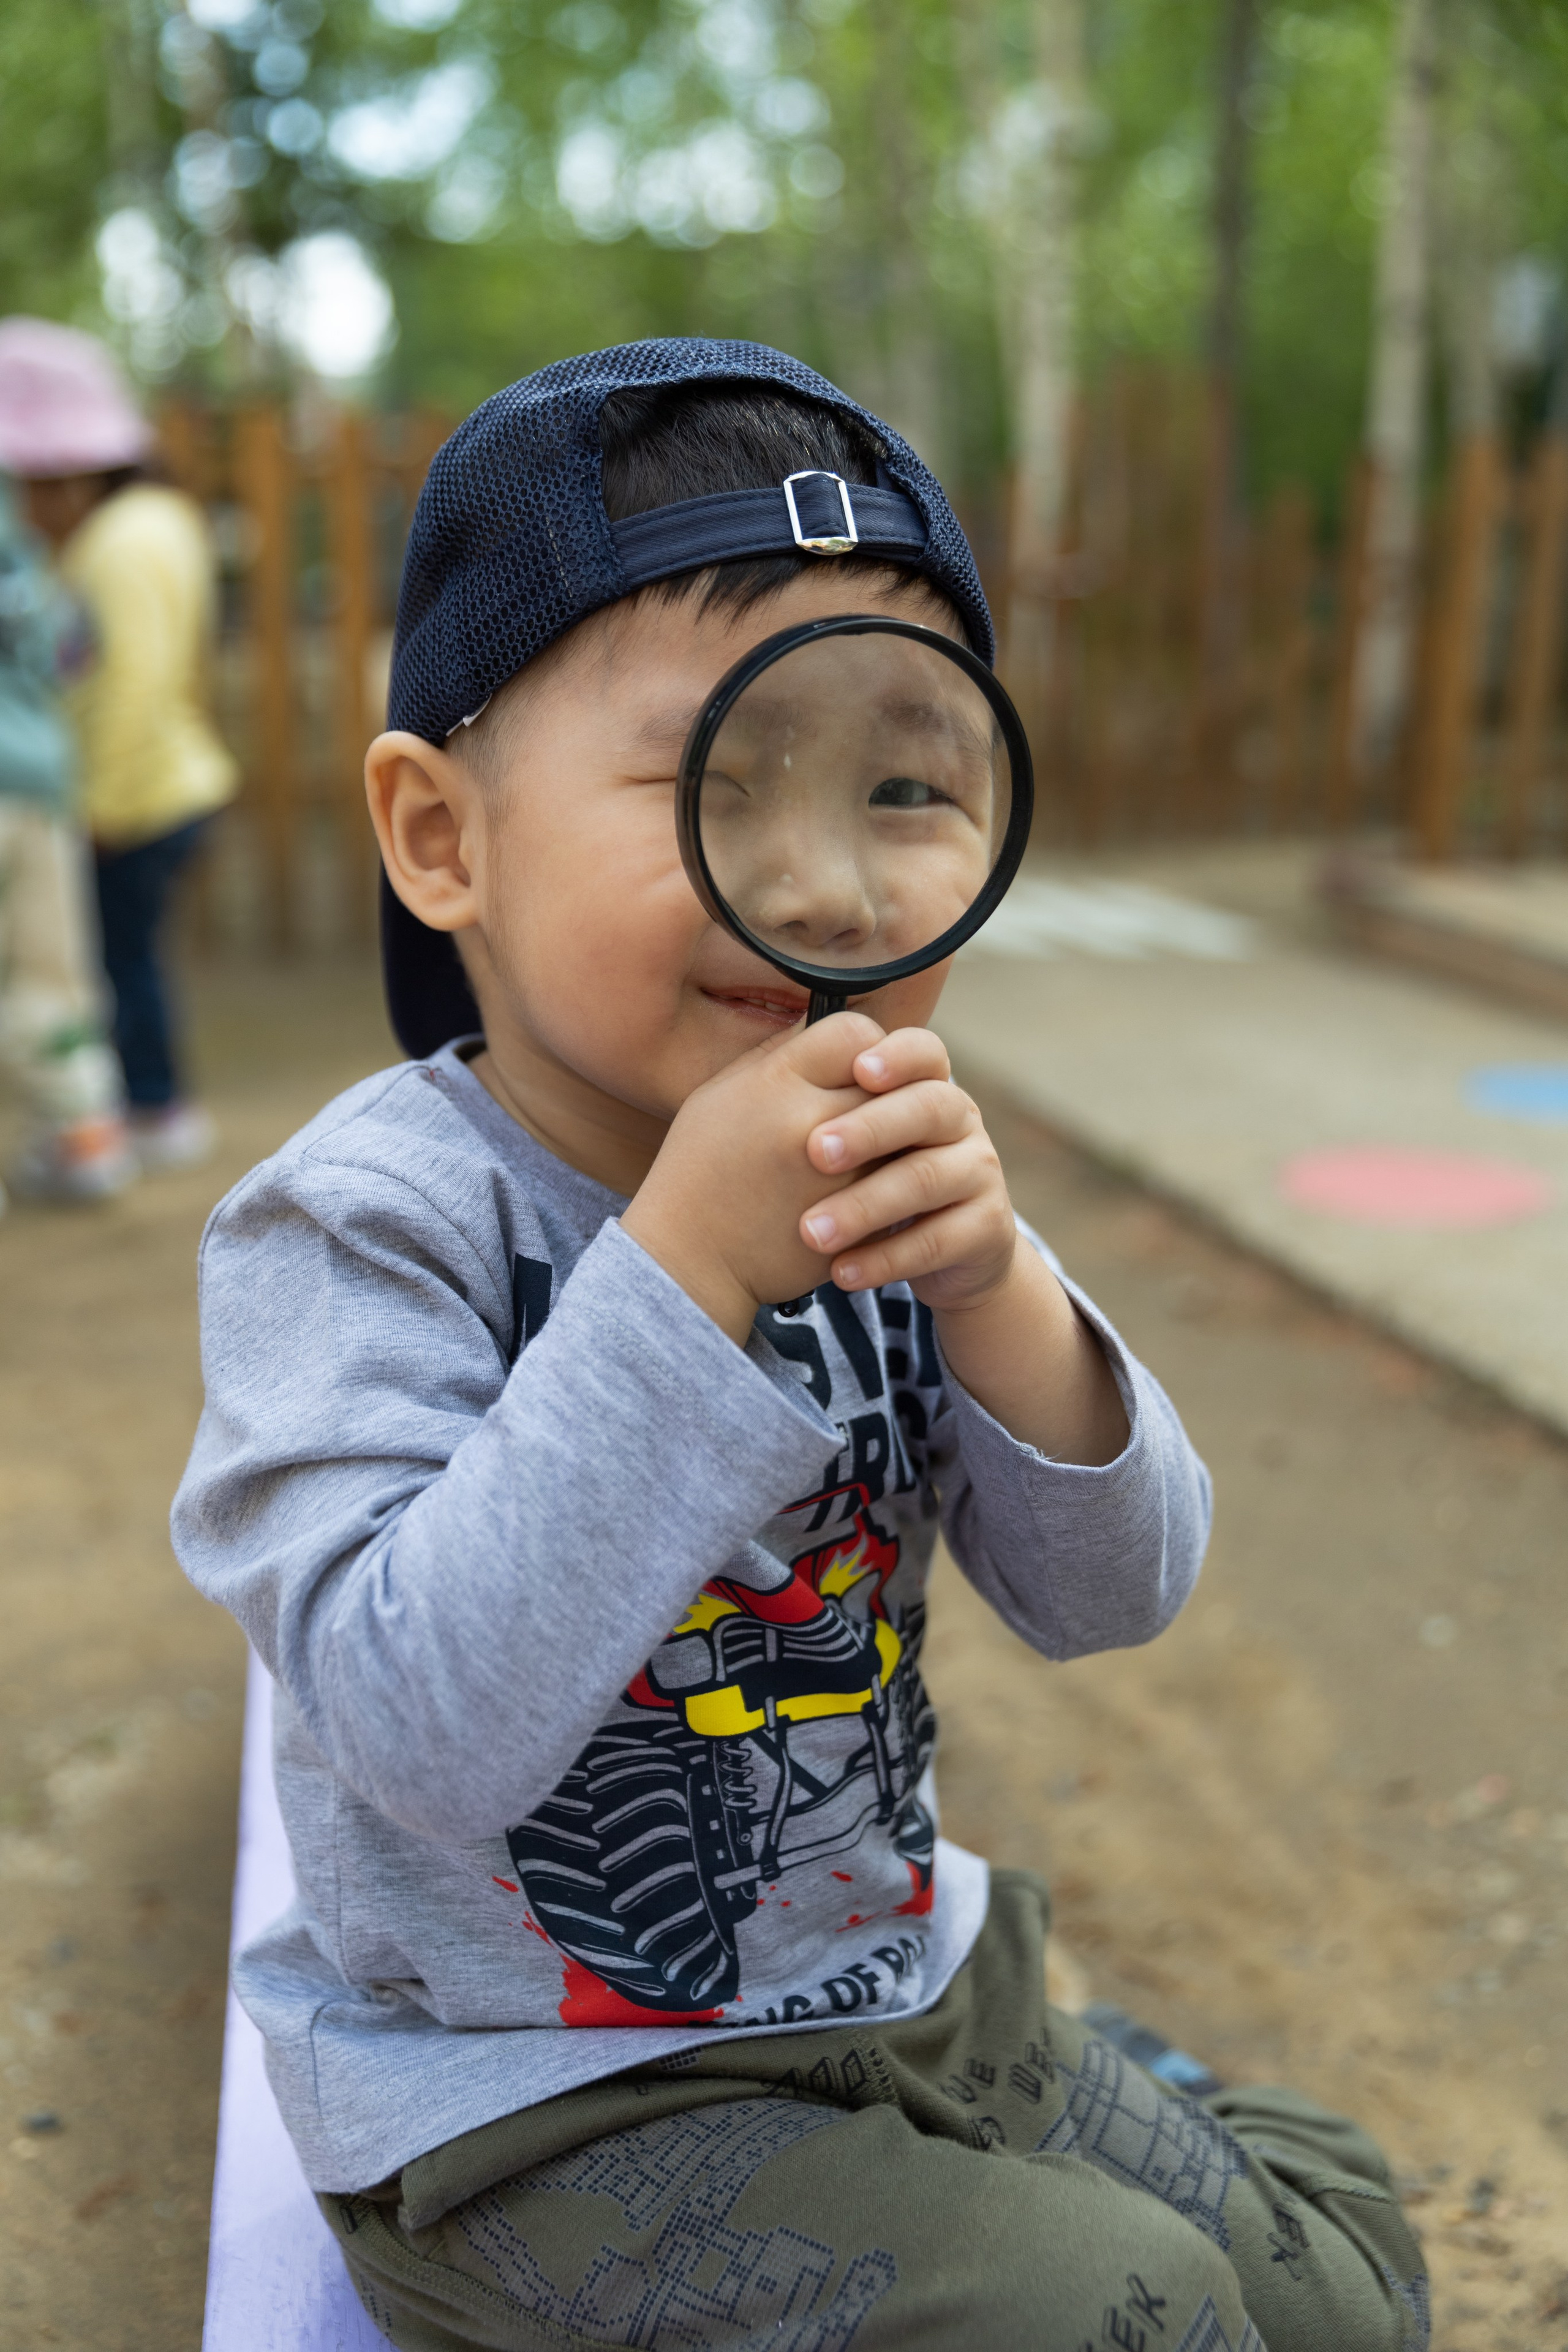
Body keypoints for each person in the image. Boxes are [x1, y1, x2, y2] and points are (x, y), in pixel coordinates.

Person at [172, 343, 1428, 2351]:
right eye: (717, 782)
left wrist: (1000, 1291)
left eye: (906, 787)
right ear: (440, 838)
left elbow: (1119, 1595)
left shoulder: (885, 1158)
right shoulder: (362, 1225)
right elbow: (417, 1730)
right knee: (1127, 2313)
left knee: (1349, 2288)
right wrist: (683, 1265)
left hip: (907, 1991)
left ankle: (1089, 2121)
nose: (828, 881)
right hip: (545, 2106)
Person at [0, 318, 236, 1172]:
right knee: (131, 957)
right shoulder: (161, 519)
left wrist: (100, 805)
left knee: (117, 961)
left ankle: (149, 1105)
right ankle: (153, 1102)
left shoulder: (119, 542)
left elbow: (127, 683)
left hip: (135, 792)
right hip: (172, 779)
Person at [0, 476, 134, 1204]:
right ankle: (87, 1139)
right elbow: (76, 654)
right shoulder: (27, 561)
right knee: (55, 970)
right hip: (44, 782)